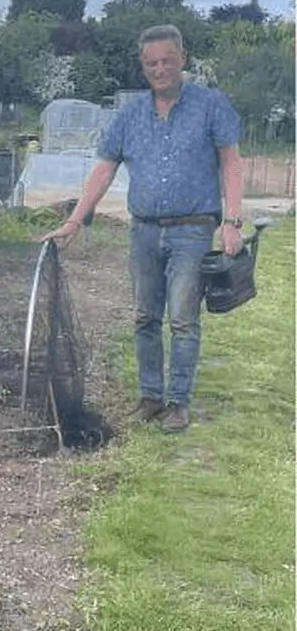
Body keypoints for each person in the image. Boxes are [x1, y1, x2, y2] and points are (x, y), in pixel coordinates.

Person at [43, 24, 245, 434]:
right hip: (144, 231)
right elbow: (103, 169)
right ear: (143, 66)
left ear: (182, 59)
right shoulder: (129, 116)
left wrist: (232, 221)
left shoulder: (211, 106)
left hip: (192, 228)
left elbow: (231, 162)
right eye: (151, 63)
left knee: (183, 319)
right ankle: (150, 397)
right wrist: (75, 218)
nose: (160, 69)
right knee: (144, 317)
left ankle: (178, 403)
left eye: (167, 61)